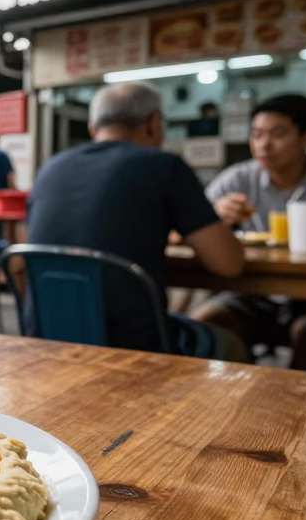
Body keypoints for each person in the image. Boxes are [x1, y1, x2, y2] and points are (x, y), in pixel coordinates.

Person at [26, 82, 246, 357]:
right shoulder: (165, 166)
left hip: (47, 339)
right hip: (132, 346)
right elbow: (229, 265)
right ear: (154, 123)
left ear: (93, 128)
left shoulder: (51, 168)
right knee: (232, 344)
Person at [194, 94, 306, 371]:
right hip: (254, 293)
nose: (263, 145)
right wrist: (215, 216)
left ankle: (295, 405)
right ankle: (242, 393)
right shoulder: (238, 178)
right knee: (208, 319)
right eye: (256, 134)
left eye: (277, 134)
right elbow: (190, 226)